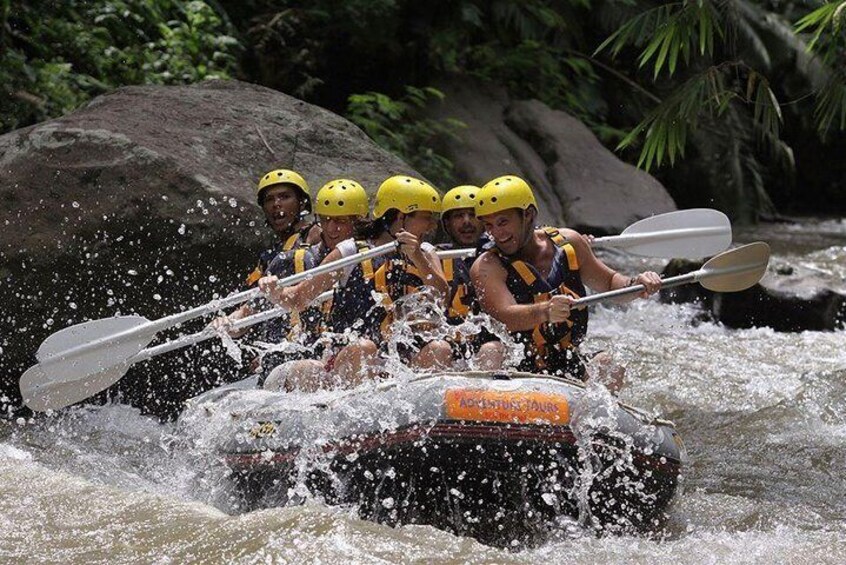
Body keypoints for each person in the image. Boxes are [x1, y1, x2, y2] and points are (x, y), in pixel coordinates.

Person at [259, 175, 453, 391]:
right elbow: (297, 299)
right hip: (347, 358)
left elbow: (442, 299)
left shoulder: (426, 252)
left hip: (396, 362)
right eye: (426, 217)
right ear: (400, 216)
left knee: (440, 348)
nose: (432, 224)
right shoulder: (350, 252)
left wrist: (417, 257)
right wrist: (276, 291)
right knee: (364, 348)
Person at [470, 175, 662, 388]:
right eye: (489, 225)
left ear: (528, 215)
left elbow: (610, 282)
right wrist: (545, 311)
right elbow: (503, 318)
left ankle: (588, 416)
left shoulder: (569, 243)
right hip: (515, 363)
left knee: (609, 364)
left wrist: (636, 284)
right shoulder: (487, 266)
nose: (496, 233)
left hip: (565, 360)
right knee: (491, 351)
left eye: (502, 222)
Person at [438, 185, 503, 369]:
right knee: (438, 349)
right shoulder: (432, 257)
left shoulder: (501, 254)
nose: (467, 222)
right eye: (458, 216)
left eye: (472, 214)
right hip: (448, 347)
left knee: (492, 349)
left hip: (488, 345)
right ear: (447, 224)